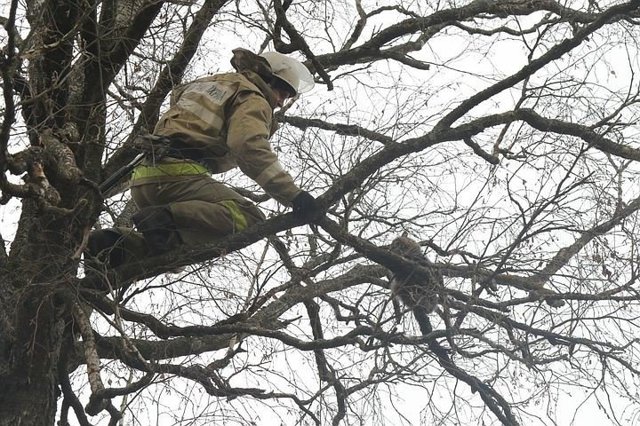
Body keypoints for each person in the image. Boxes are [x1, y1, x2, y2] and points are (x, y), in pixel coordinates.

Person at [87, 48, 320, 270]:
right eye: (282, 93)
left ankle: (113, 247)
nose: (280, 102)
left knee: (171, 248)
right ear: (267, 79)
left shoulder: (210, 84)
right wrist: (293, 195)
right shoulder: (252, 96)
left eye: (287, 98)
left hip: (144, 178)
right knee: (249, 218)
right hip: (178, 177)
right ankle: (166, 218)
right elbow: (247, 146)